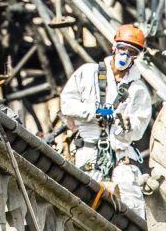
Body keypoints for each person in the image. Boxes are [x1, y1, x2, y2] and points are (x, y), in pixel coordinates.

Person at [60, 24, 152, 217]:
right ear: (114, 47)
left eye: (131, 52)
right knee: (87, 205)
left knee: (131, 206)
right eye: (122, 49)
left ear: (136, 56)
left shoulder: (138, 89)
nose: (125, 56)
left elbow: (139, 127)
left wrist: (125, 124)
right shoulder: (88, 73)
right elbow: (67, 104)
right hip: (89, 150)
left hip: (121, 155)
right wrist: (94, 112)